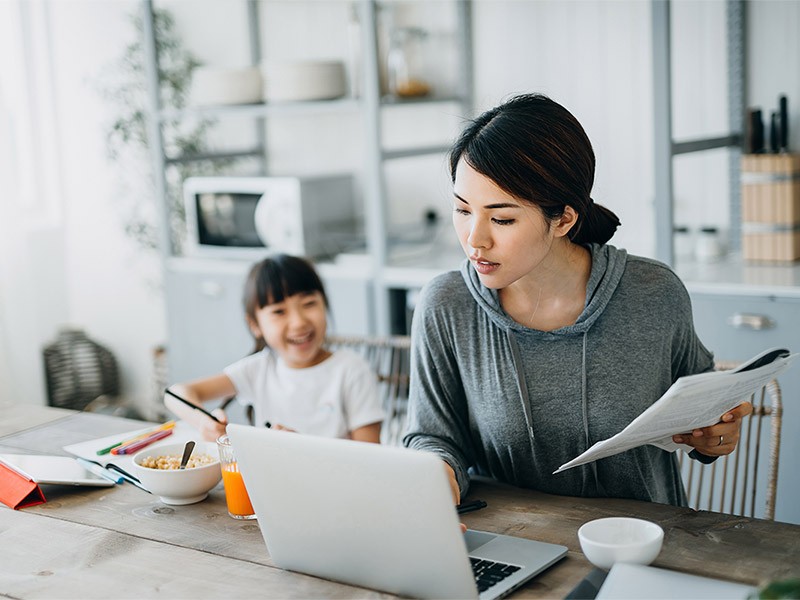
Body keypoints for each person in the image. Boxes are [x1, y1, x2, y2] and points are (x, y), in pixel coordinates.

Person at [403, 93, 752, 508]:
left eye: (502, 218)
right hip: (510, 542)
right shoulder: (447, 304)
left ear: (564, 219)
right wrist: (434, 478)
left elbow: (703, 415)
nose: (474, 239)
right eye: (463, 210)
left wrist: (715, 437)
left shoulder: (653, 293)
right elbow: (432, 437)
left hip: (643, 543)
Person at [165, 254, 384, 443]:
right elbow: (176, 394)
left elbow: (370, 459)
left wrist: (303, 451)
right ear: (255, 325)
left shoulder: (351, 370)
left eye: (309, 304)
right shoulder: (259, 369)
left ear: (324, 304)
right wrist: (204, 422)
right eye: (279, 311)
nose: (298, 322)